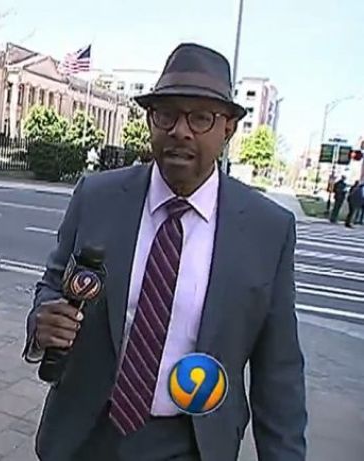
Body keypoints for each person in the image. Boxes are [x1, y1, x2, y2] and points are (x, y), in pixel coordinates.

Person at [23, 43, 307, 461]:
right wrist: (42, 323)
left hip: (190, 444)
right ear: (150, 121)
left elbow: (278, 371)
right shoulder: (97, 197)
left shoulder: (268, 230)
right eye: (167, 114)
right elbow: (52, 286)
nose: (180, 130)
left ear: (227, 128)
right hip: (84, 435)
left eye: (201, 117)